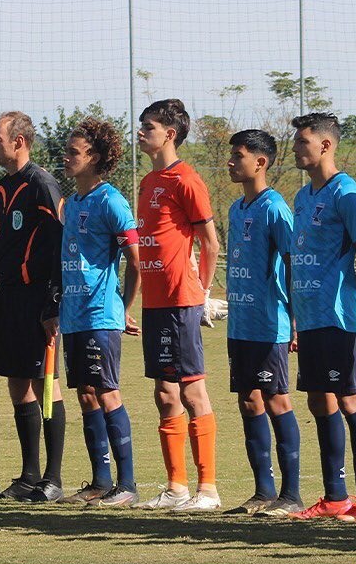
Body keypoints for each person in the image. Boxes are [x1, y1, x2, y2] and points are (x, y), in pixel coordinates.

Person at [289, 114, 356, 521]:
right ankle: (335, 496)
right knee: (318, 400)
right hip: (309, 316)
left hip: (339, 316)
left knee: (349, 398)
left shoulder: (347, 193)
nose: (295, 148)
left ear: (325, 145)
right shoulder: (303, 196)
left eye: (302, 141)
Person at [135, 98, 221, 511]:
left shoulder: (187, 179)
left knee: (192, 392)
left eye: (147, 127)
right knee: (164, 394)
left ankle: (208, 490)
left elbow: (210, 244)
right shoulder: (148, 182)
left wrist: (201, 293)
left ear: (169, 134)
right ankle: (177, 488)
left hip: (181, 301)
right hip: (154, 303)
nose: (140, 133)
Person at [53, 117, 141, 507]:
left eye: (74, 152)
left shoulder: (111, 201)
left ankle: (128, 485)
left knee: (106, 392)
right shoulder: (70, 203)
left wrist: (124, 309)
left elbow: (135, 260)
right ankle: (99, 481)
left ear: (97, 158)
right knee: (86, 394)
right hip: (72, 315)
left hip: (100, 314)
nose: (66, 157)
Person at [0, 111, 66, 502]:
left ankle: (53, 476)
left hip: (39, 296)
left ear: (18, 142)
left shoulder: (42, 184)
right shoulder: (2, 189)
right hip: (11, 294)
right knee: (17, 382)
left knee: (45, 382)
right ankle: (28, 474)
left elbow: (58, 243)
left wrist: (53, 302)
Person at [220, 129, 300, 517]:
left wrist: (297, 318)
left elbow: (293, 264)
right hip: (240, 324)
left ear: (260, 162)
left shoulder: (275, 208)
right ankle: (263, 491)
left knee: (275, 399)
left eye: (238, 156)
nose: (231, 162)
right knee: (248, 400)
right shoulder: (238, 209)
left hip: (270, 324)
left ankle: (292, 493)